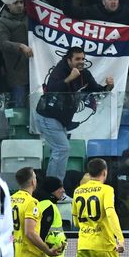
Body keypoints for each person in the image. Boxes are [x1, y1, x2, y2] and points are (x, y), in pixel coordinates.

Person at [35, 46, 113, 181]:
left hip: (61, 119)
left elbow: (96, 91)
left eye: (83, 58)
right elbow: (51, 89)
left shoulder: (85, 74)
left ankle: (51, 186)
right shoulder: (59, 70)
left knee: (57, 151)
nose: (81, 61)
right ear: (69, 60)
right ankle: (56, 188)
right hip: (47, 115)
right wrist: (69, 78)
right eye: (77, 59)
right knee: (62, 149)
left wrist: (108, 87)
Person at [0, 0, 32, 108]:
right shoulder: (2, 22)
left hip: (35, 71)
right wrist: (19, 46)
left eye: (21, 2)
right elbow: (1, 43)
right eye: (16, 2)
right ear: (8, 5)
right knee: (19, 108)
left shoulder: (30, 17)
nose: (20, 5)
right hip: (17, 73)